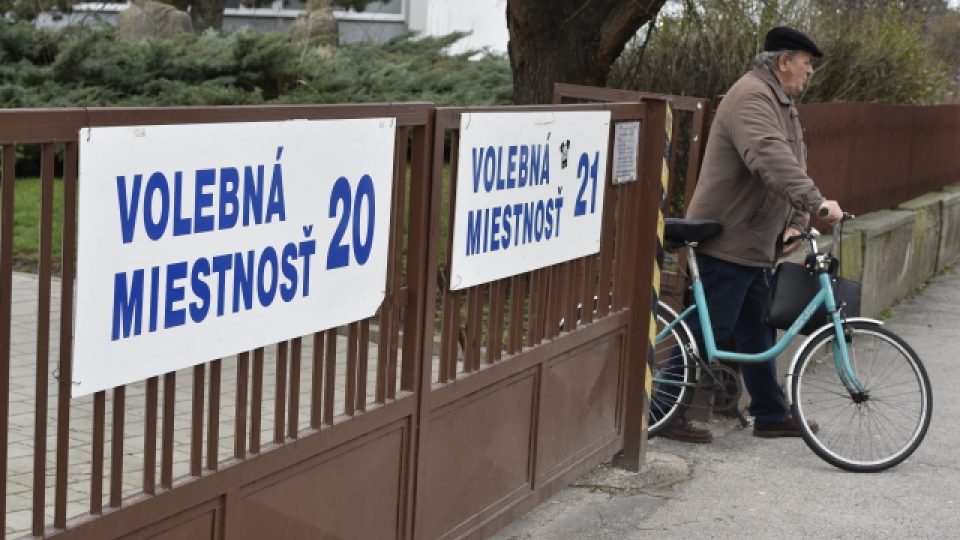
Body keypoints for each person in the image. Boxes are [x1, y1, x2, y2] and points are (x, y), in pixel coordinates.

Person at [659, 26, 845, 443]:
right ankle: (666, 410)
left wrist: (798, 222)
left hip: (756, 239)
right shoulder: (751, 97)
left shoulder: (782, 102)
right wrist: (816, 204)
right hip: (729, 236)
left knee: (757, 328)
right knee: (711, 330)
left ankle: (770, 413)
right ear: (783, 62)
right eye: (806, 62)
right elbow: (769, 158)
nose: (809, 72)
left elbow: (795, 164)